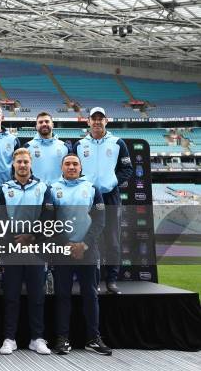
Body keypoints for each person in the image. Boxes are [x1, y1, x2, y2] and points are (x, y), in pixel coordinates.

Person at [50, 153, 112, 355]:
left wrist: (83, 244)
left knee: (90, 295)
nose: (71, 167)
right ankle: (62, 338)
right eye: (67, 164)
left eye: (75, 164)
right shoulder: (52, 189)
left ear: (80, 167)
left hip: (88, 251)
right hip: (62, 250)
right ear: (62, 168)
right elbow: (49, 221)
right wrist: (66, 244)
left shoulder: (92, 189)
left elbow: (100, 220)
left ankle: (93, 338)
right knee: (62, 296)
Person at [0, 148, 53, 356]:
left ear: (30, 164)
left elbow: (49, 216)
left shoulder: (42, 188)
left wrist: (32, 237)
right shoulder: (3, 189)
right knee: (11, 296)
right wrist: (14, 239)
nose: (22, 165)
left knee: (37, 296)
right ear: (13, 164)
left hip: (36, 249)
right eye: (18, 162)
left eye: (25, 162)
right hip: (12, 249)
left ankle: (37, 338)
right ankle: (9, 338)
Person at [73, 107, 133, 294]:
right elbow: (73, 170)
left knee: (112, 241)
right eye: (94, 118)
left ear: (106, 121)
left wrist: (111, 182)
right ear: (88, 122)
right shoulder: (79, 145)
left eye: (101, 118)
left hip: (110, 197)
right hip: (87, 199)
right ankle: (93, 279)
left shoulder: (117, 143)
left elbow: (127, 169)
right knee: (90, 239)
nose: (97, 122)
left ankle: (112, 280)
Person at [24, 112, 71, 185]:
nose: (44, 124)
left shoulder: (64, 146)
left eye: (47, 121)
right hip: (35, 190)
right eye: (40, 122)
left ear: (52, 125)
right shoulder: (27, 147)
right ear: (36, 126)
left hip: (59, 192)